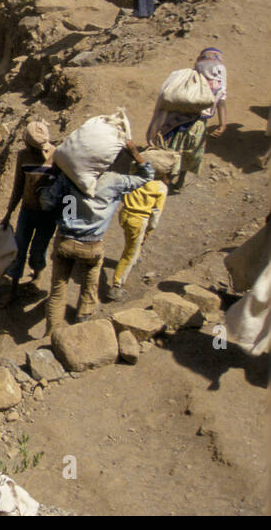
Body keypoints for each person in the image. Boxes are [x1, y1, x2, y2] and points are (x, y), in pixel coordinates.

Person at [39, 141, 154, 334]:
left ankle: (51, 334)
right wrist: (135, 153)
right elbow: (147, 176)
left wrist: (47, 185)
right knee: (89, 285)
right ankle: (83, 323)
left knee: (58, 291)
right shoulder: (114, 181)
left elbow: (46, 202)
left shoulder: (69, 177)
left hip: (65, 241)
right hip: (92, 244)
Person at [146, 46, 227, 193]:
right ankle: (179, 180)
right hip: (198, 126)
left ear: (197, 61)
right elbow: (221, 102)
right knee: (189, 154)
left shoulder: (183, 77)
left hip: (176, 122)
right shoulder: (218, 82)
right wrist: (223, 124)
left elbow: (166, 95)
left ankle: (166, 180)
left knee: (172, 151)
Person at [0, 121, 59, 308]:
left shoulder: (57, 156)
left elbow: (65, 187)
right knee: (19, 250)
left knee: (39, 249)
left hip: (48, 215)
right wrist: (9, 213)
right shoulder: (23, 156)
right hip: (27, 211)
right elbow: (18, 186)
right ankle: (13, 290)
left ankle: (36, 278)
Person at [110, 175, 167, 298]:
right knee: (130, 253)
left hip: (124, 214)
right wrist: (149, 230)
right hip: (138, 221)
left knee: (132, 243)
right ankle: (116, 286)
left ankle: (135, 257)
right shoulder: (160, 187)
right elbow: (156, 213)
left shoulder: (137, 177)